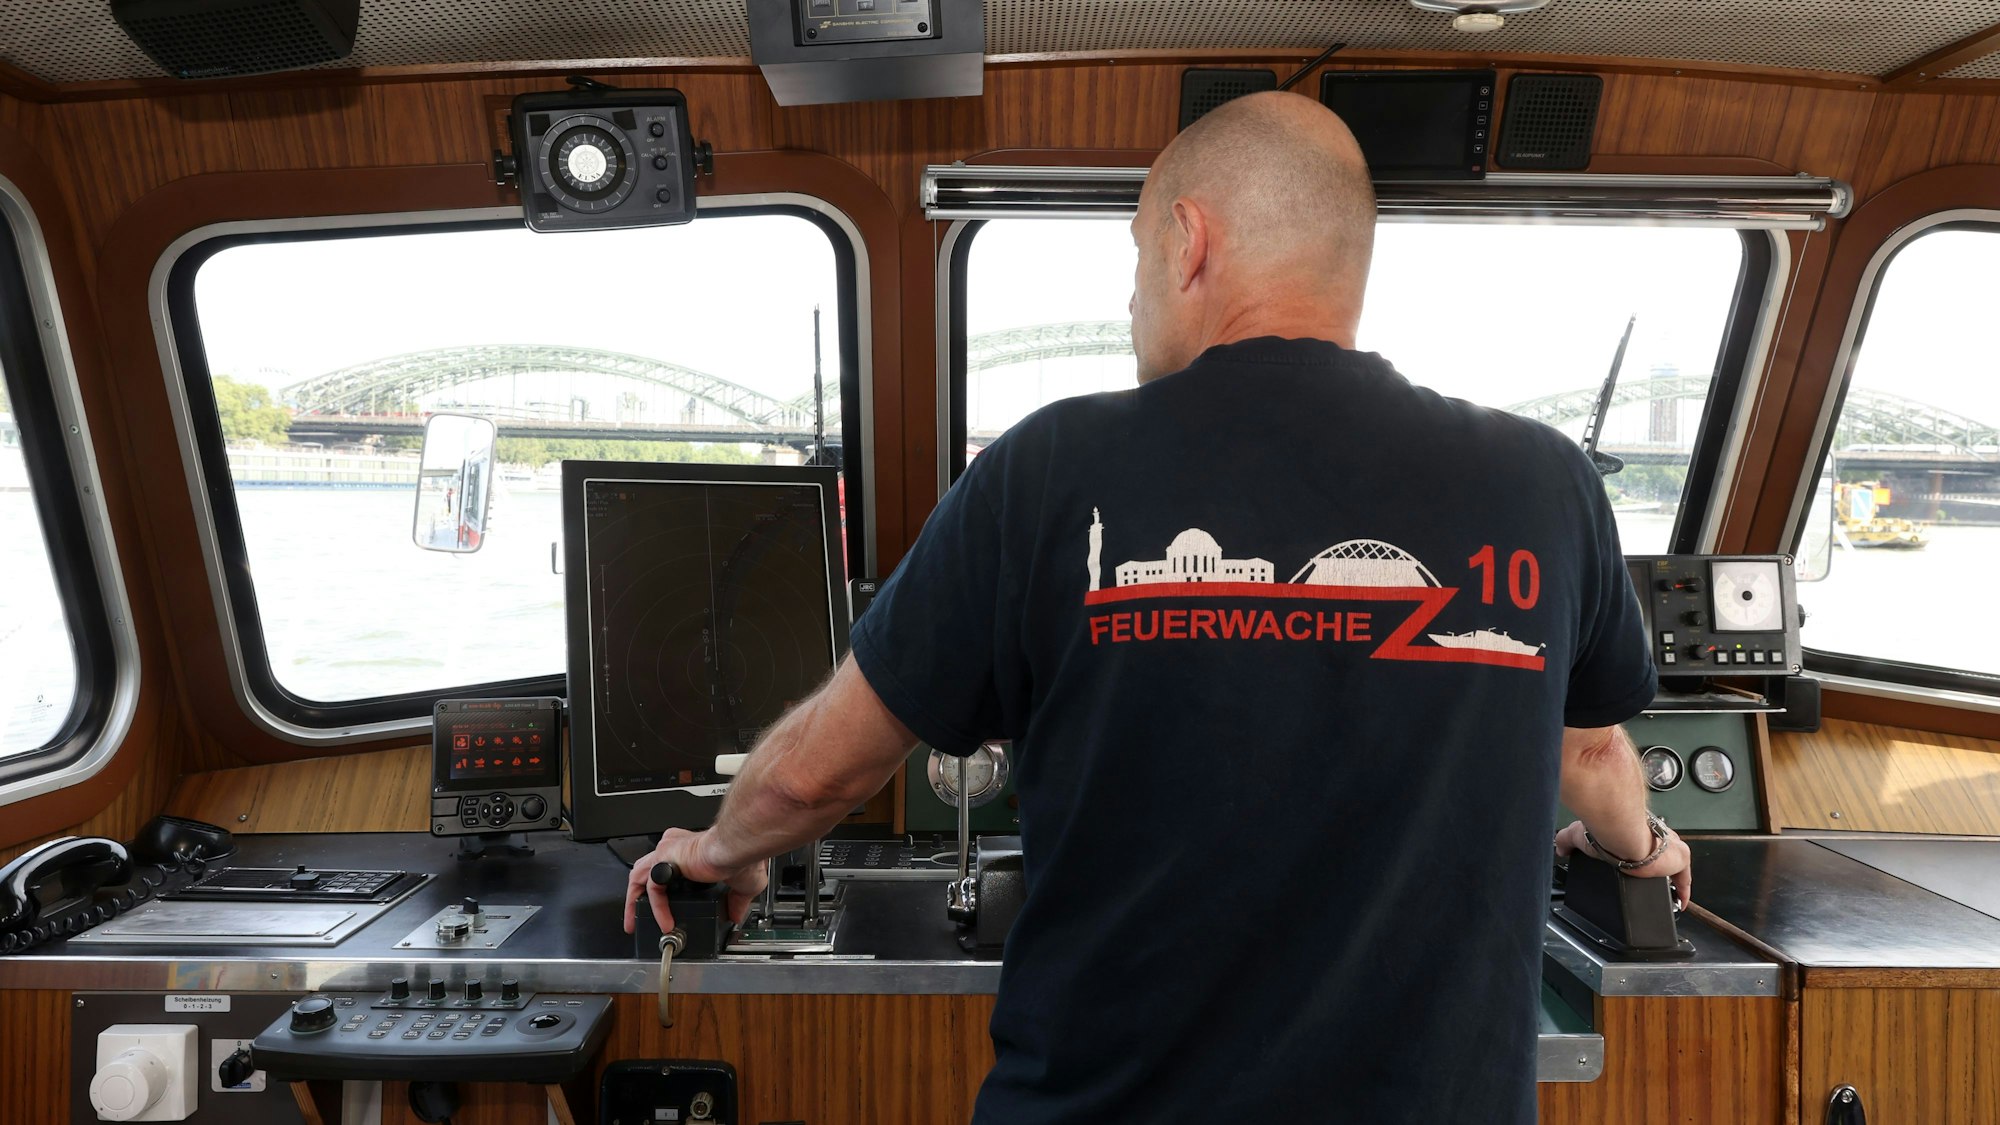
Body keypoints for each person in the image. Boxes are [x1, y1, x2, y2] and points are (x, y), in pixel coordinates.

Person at [624, 90, 1691, 1124]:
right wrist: (1641, 854)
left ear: (1187, 241)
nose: (1129, 298)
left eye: (1134, 256)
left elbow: (822, 769)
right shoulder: (1541, 483)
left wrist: (718, 851)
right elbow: (1591, 755)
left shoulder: (1048, 464)